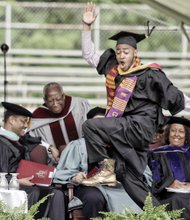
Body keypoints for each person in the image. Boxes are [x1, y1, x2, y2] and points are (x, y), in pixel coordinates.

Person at [80, 2, 190, 209]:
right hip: (124, 129)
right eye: (119, 51)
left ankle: (105, 168)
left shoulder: (149, 74)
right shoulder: (114, 69)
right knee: (127, 174)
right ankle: (157, 213)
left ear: (135, 54)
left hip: (139, 126)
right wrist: (87, 27)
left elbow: (176, 97)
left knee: (90, 126)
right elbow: (89, 55)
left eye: (126, 51)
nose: (121, 55)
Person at [53, 106, 142, 220]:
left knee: (136, 194)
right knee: (93, 197)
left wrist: (122, 178)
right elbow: (61, 173)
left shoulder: (121, 145)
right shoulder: (78, 145)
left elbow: (141, 171)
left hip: (118, 187)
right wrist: (75, 177)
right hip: (90, 188)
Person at [0, 101, 65, 220]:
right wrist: (18, 180)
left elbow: (34, 139)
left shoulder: (18, 138)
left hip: (27, 184)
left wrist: (50, 147)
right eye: (23, 121)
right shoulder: (2, 143)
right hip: (9, 187)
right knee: (40, 193)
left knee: (57, 194)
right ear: (12, 120)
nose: (26, 126)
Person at [29, 82, 91, 165]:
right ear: (44, 100)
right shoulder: (38, 116)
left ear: (63, 96)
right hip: (54, 163)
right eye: (50, 101)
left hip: (83, 157)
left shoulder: (79, 105)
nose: (55, 104)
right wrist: (49, 147)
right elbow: (33, 140)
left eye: (58, 99)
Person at [149, 116, 190, 219]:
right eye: (173, 131)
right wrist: (170, 182)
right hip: (167, 194)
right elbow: (155, 176)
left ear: (186, 135)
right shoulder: (157, 153)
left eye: (181, 131)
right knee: (178, 199)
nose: (176, 134)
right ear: (168, 133)